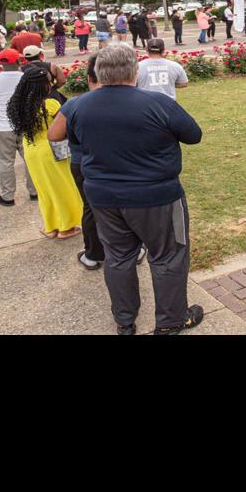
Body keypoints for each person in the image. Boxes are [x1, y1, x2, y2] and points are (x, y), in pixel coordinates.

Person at [50, 43, 204, 335]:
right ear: (135, 71)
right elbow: (193, 135)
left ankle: (124, 321)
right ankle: (170, 321)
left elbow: (60, 135)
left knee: (118, 257)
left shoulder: (78, 105)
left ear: (98, 73)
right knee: (168, 256)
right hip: (157, 197)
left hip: (104, 196)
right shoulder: (158, 103)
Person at [8, 64, 83, 239]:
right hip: (52, 150)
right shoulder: (50, 104)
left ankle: (51, 226)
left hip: (31, 150)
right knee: (62, 187)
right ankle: (66, 227)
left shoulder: (19, 105)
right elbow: (64, 126)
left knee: (45, 190)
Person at [0, 48, 38, 207]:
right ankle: (35, 191)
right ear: (18, 61)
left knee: (5, 163)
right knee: (30, 160)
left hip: (0, 128)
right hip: (25, 125)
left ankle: (8, 196)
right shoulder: (27, 79)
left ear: (0, 63)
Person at [67, 53, 105, 270]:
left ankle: (93, 254)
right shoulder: (133, 100)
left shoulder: (76, 103)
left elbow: (54, 134)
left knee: (90, 208)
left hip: (84, 162)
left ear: (89, 78)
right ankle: (133, 249)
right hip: (118, 162)